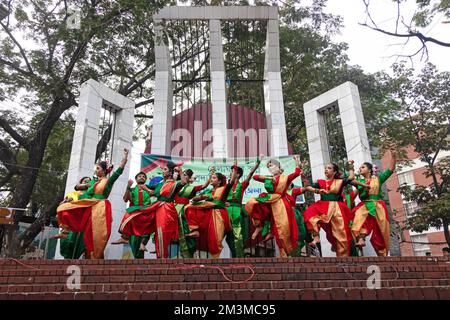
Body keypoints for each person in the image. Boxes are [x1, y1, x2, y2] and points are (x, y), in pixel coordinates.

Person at [54, 149, 129, 259]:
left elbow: (120, 169)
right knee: (64, 207)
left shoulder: (108, 181)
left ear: (104, 170)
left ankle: (95, 256)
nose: (96, 170)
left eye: (98, 168)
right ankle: (65, 230)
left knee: (95, 234)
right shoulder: (93, 183)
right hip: (89, 205)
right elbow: (79, 188)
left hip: (101, 207)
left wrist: (125, 156)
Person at [113, 163, 187, 258]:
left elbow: (184, 182)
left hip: (166, 209)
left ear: (170, 172)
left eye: (165, 169)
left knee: (161, 234)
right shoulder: (160, 184)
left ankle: (162, 258)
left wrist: (180, 171)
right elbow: (144, 187)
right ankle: (125, 236)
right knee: (132, 213)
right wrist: (134, 186)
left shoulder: (174, 184)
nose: (163, 171)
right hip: (157, 207)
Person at [244, 155, 302, 257]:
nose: (270, 168)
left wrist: (297, 160)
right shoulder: (269, 179)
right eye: (268, 166)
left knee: (282, 230)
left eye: (271, 165)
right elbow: (255, 177)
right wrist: (269, 178)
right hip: (270, 202)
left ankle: (285, 253)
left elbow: (297, 173)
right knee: (251, 203)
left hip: (282, 205)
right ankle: (259, 226)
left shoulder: (285, 178)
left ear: (278, 166)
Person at [184, 163, 239, 259]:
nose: (211, 179)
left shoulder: (224, 189)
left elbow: (232, 180)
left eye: (213, 178)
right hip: (208, 216)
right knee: (189, 207)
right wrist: (202, 197)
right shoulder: (208, 191)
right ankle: (195, 229)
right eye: (211, 177)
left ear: (219, 181)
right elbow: (194, 199)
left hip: (219, 215)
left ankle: (216, 260)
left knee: (216, 239)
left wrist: (234, 167)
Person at [302, 161, 356, 257]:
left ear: (334, 172)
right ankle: (316, 236)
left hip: (338, 209)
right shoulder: (321, 182)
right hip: (323, 207)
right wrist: (317, 190)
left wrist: (351, 166)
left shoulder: (340, 181)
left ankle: (343, 257)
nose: (326, 169)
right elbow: (307, 187)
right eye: (325, 168)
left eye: (329, 168)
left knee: (341, 233)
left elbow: (351, 177)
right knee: (309, 214)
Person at [351, 150, 397, 256]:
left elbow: (390, 169)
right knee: (358, 217)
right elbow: (351, 180)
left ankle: (382, 254)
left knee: (381, 230)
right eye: (360, 167)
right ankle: (361, 238)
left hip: (379, 206)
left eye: (363, 167)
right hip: (365, 204)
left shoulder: (378, 179)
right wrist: (350, 168)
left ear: (369, 170)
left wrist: (393, 156)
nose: (360, 169)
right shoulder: (360, 182)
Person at [225, 158, 261, 258]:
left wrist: (258, 163)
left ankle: (239, 257)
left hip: (237, 209)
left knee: (238, 234)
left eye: (233, 171)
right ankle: (234, 254)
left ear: (238, 174)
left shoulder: (242, 185)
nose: (230, 173)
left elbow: (250, 174)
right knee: (228, 236)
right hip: (226, 211)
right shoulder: (226, 185)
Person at [173, 169, 210, 258]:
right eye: (183, 174)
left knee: (187, 233)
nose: (183, 176)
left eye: (185, 175)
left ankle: (189, 254)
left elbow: (204, 186)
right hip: (174, 209)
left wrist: (211, 175)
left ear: (189, 179)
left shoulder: (191, 188)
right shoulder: (175, 185)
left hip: (184, 210)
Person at [119, 172, 154, 259]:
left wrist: (147, 189)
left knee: (151, 225)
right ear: (136, 179)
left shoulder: (148, 188)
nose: (142, 177)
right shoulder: (132, 189)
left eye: (143, 176)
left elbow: (155, 193)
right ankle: (125, 237)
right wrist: (128, 187)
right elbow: (125, 199)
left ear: (145, 180)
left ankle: (143, 243)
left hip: (146, 212)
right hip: (135, 216)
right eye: (139, 176)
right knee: (135, 241)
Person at [59, 176, 91, 259]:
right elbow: (62, 205)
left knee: (80, 243)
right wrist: (65, 202)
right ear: (80, 183)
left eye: (88, 182)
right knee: (68, 241)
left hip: (83, 221)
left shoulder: (90, 196)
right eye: (85, 181)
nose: (86, 182)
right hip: (72, 221)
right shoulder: (73, 194)